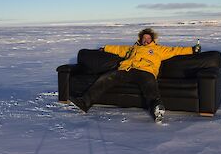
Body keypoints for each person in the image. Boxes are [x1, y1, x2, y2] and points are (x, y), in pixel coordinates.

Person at [70, 28, 201, 123]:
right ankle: (84, 102)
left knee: (150, 85)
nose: (145, 40)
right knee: (106, 78)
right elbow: (119, 49)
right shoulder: (133, 48)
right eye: (144, 38)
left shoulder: (159, 49)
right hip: (127, 70)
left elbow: (176, 50)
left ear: (152, 40)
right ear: (140, 39)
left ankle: (157, 108)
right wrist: (105, 48)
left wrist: (192, 50)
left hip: (145, 72)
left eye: (148, 38)